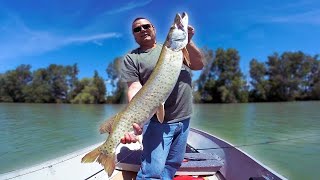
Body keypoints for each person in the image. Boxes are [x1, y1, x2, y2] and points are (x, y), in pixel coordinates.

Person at [120, 16, 204, 179]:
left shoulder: (176, 48)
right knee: (152, 171)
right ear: (134, 35)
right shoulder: (132, 58)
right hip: (158, 122)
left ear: (154, 28)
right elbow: (134, 87)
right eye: (137, 29)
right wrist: (132, 121)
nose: (142, 30)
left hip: (184, 117)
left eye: (146, 26)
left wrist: (188, 41)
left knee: (173, 164)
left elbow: (198, 65)